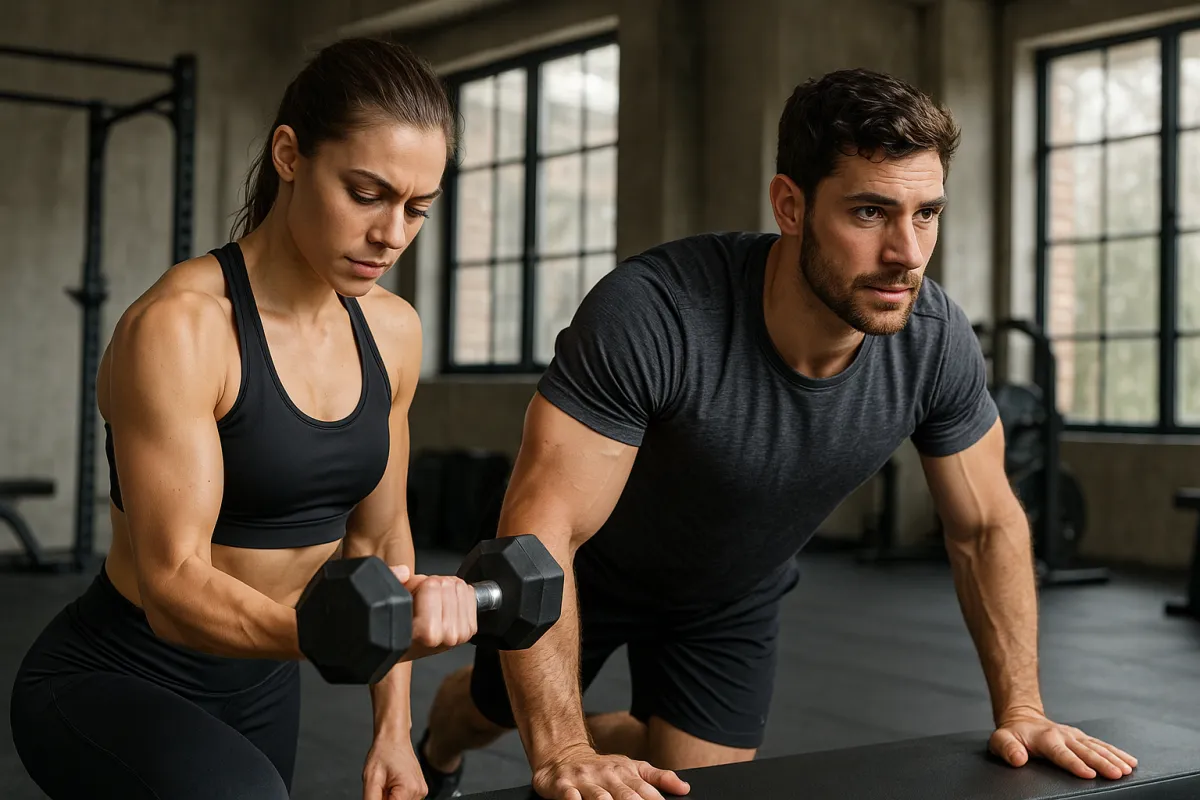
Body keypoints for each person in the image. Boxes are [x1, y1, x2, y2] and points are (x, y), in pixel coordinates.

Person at [414, 68, 1141, 799]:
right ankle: (445, 741)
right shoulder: (655, 313)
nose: (908, 253)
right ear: (790, 205)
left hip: (730, 590)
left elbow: (985, 526)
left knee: (699, 785)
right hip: (586, 572)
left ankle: (632, 733)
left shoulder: (934, 340)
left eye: (926, 213)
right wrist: (564, 748)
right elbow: (543, 532)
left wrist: (1023, 710)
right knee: (489, 716)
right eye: (870, 213)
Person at [10, 37, 471, 800]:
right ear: (289, 155)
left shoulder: (393, 332)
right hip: (120, 675)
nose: (392, 234)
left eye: (416, 209)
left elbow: (379, 542)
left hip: (265, 685)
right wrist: (345, 637)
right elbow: (173, 584)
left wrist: (393, 730)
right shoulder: (182, 328)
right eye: (366, 194)